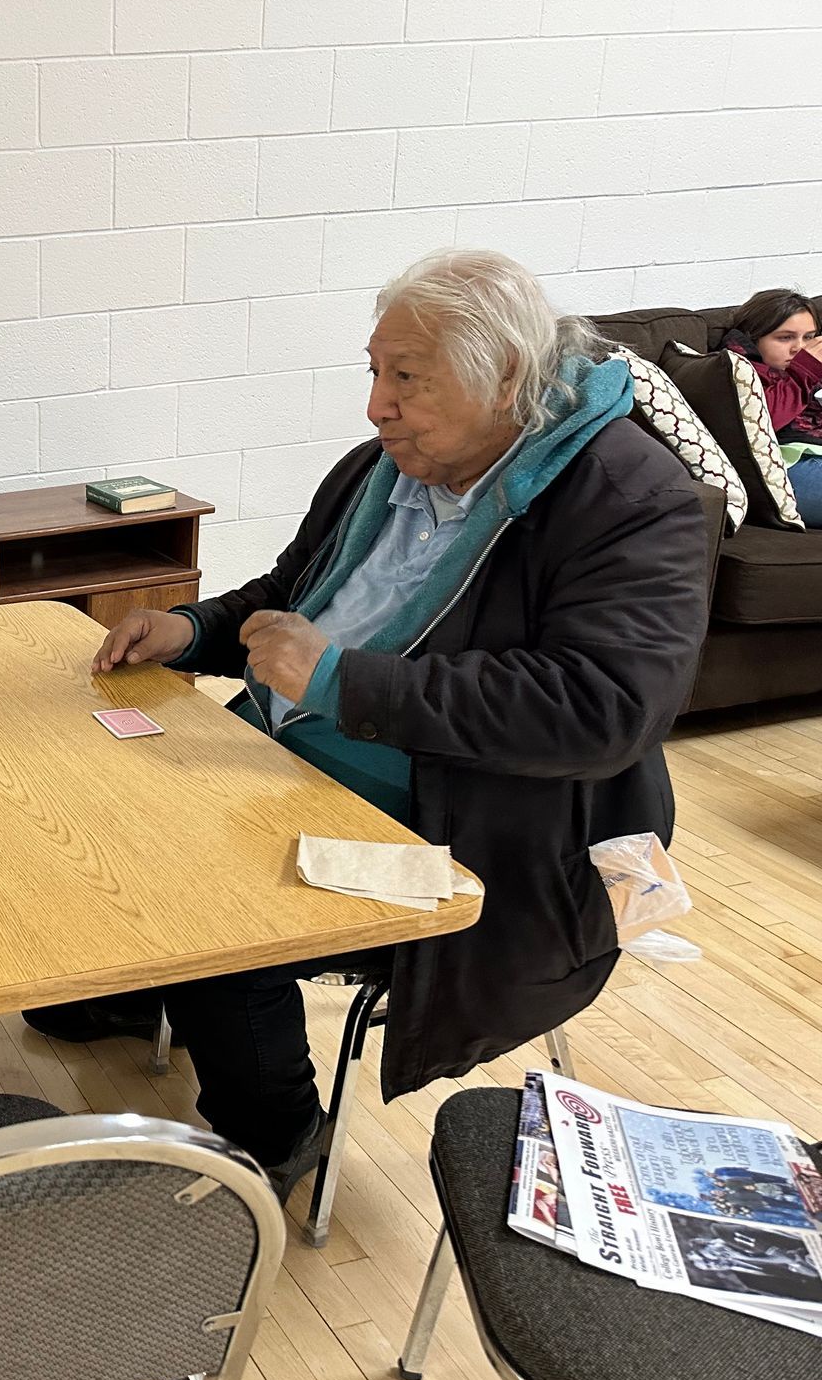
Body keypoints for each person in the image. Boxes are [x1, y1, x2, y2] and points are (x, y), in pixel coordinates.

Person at [91, 249, 710, 1198]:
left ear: (507, 376)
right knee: (109, 804)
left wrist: (344, 683)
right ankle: (150, 990)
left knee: (217, 907)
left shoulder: (630, 499)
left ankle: (276, 1135)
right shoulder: (382, 468)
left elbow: (604, 710)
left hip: (490, 837)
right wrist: (194, 627)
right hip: (299, 762)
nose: (376, 405)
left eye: (407, 377)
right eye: (375, 371)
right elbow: (295, 600)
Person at [720, 287, 822, 521]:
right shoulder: (742, 371)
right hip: (789, 469)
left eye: (808, 337)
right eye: (785, 338)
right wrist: (804, 372)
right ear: (753, 338)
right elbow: (763, 420)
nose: (799, 348)